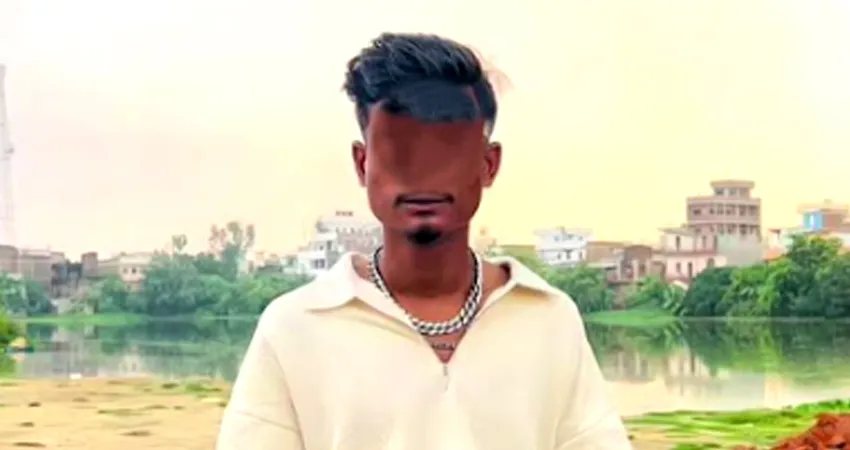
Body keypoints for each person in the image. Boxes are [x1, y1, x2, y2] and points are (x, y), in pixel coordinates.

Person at [217, 32, 632, 450]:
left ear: (488, 165)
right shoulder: (294, 327)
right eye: (400, 152)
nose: (424, 175)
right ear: (362, 164)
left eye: (448, 152)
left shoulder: (549, 320)